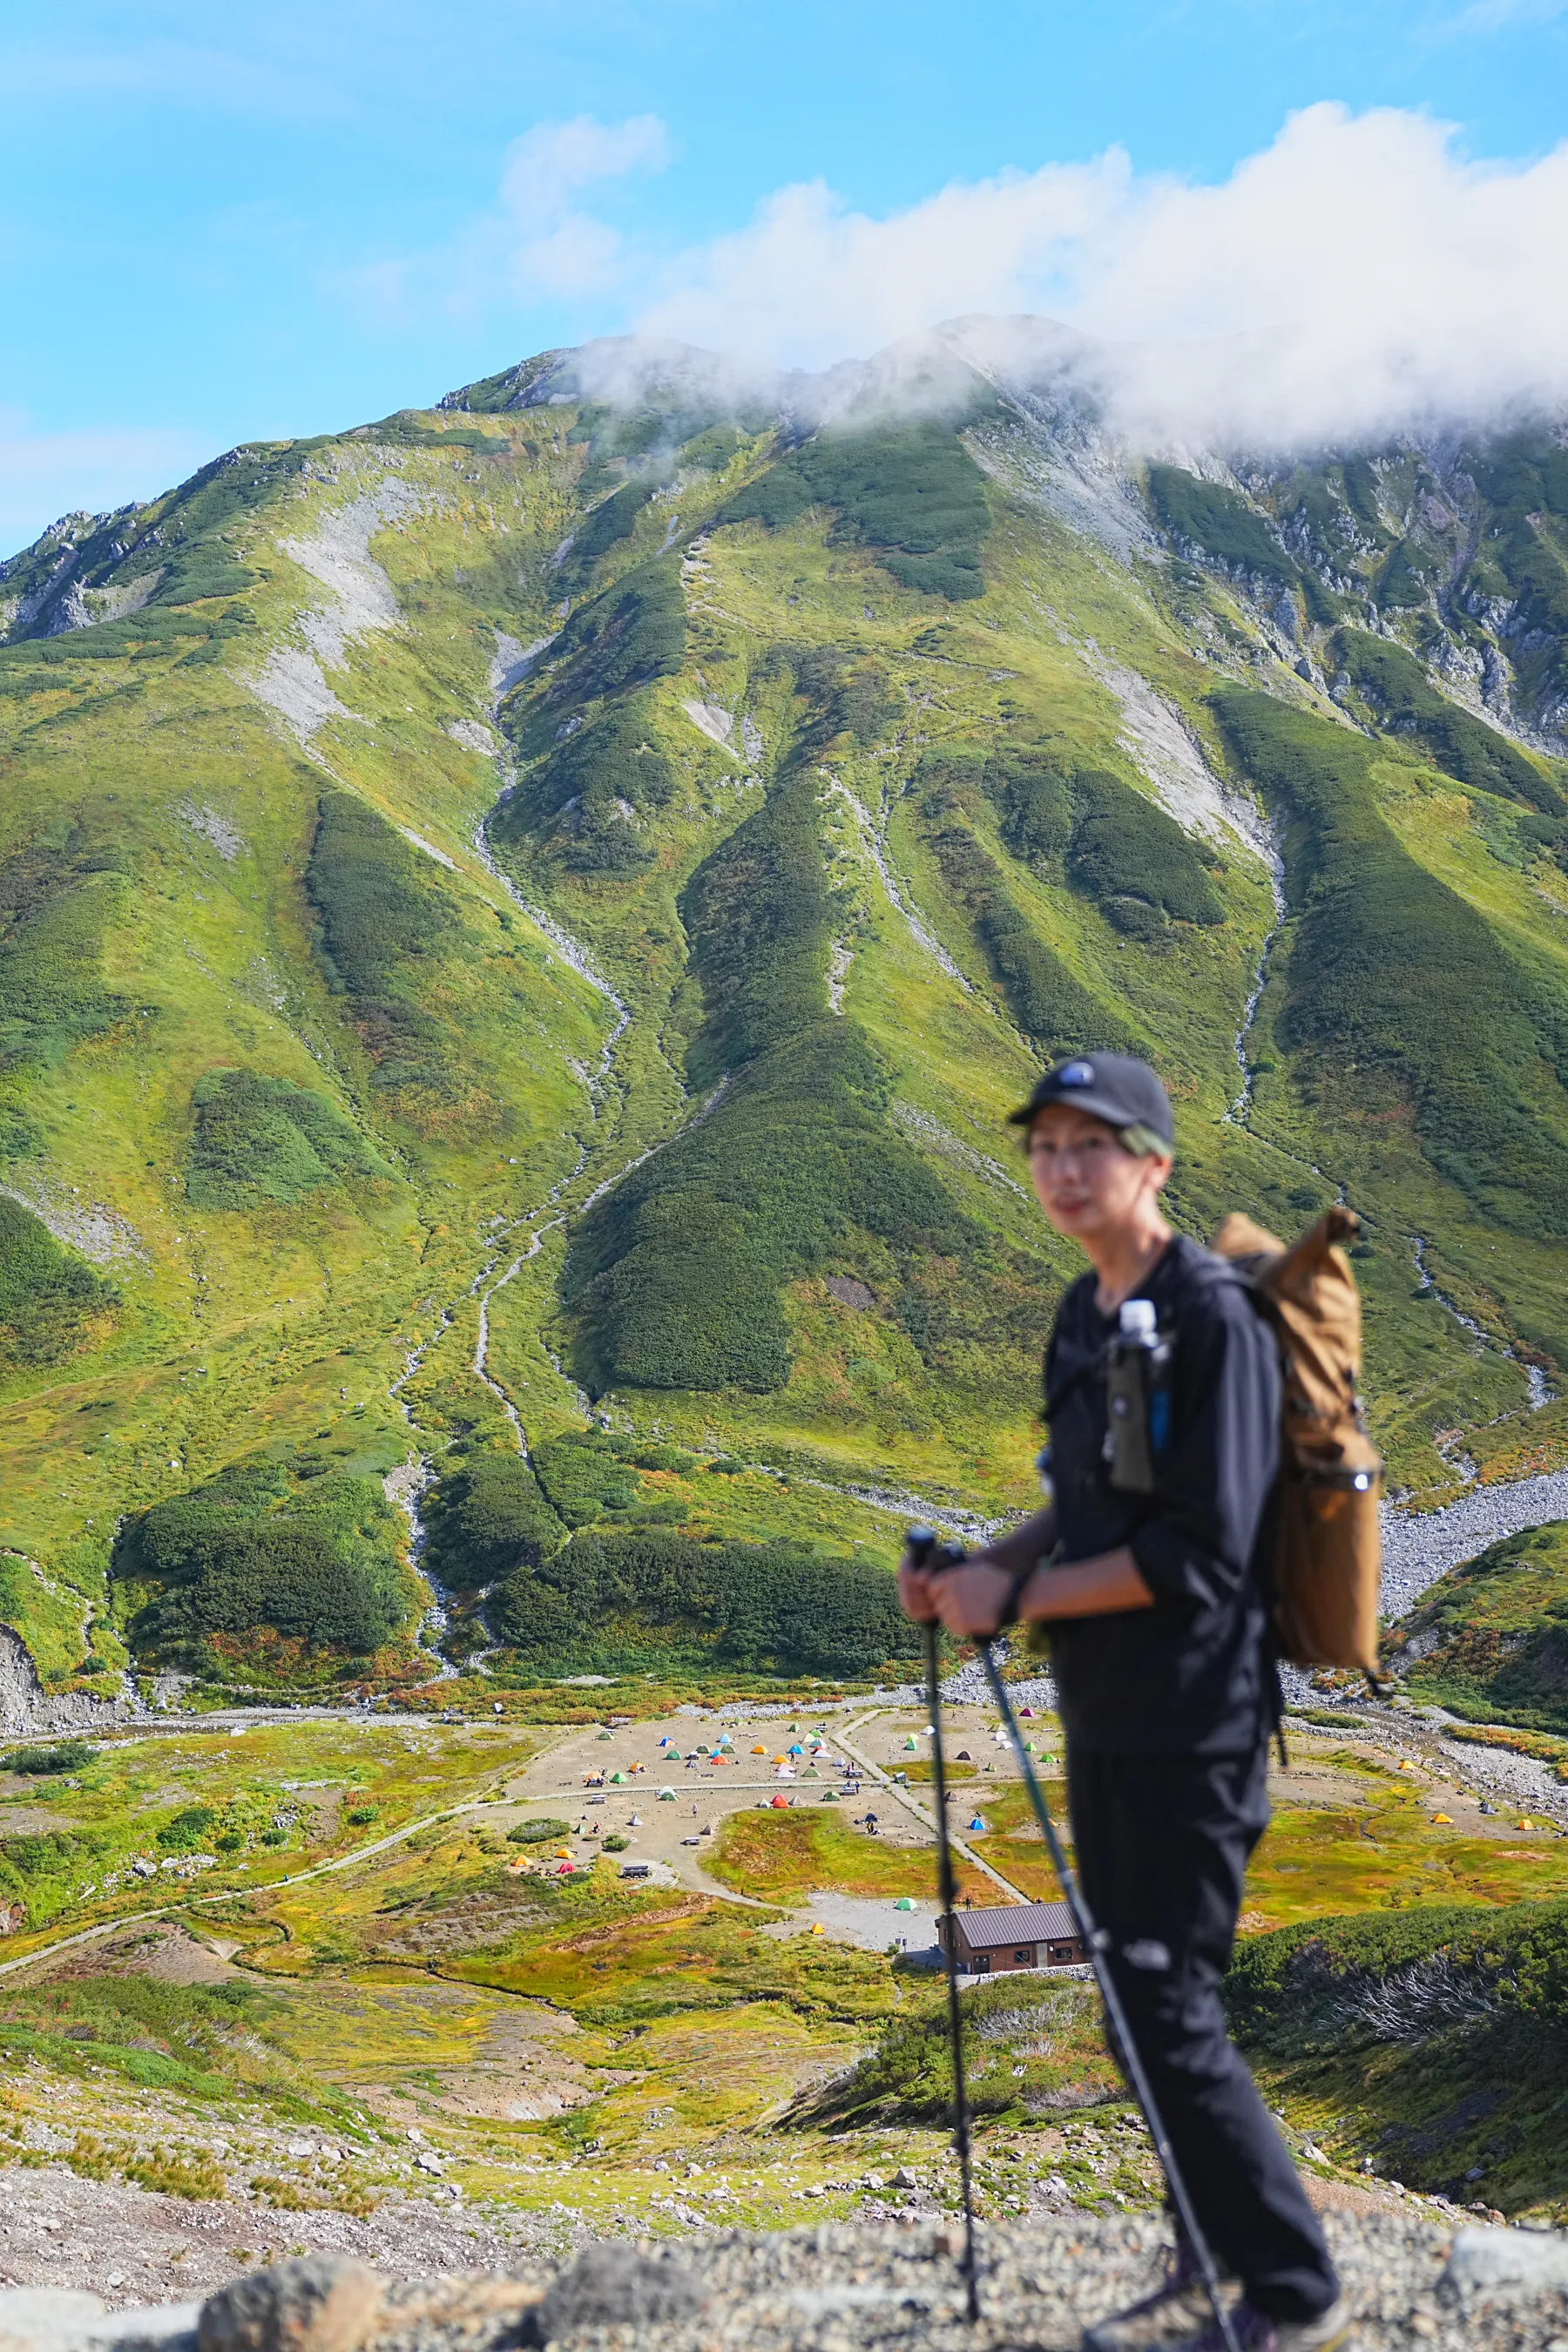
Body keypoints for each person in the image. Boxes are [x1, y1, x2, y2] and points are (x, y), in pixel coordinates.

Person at [898, 1052, 1347, 2352]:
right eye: (1045, 1145)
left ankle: (1291, 2291)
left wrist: (1015, 1604)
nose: (1064, 1167)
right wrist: (986, 1569)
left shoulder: (1211, 1319)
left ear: (1154, 1164)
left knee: (1166, 1996)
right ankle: (1204, 2256)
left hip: (1194, 1722)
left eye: (1094, 1143)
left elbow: (1198, 1554)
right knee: (1136, 1997)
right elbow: (1092, 1505)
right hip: (1105, 1713)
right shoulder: (1086, 1313)